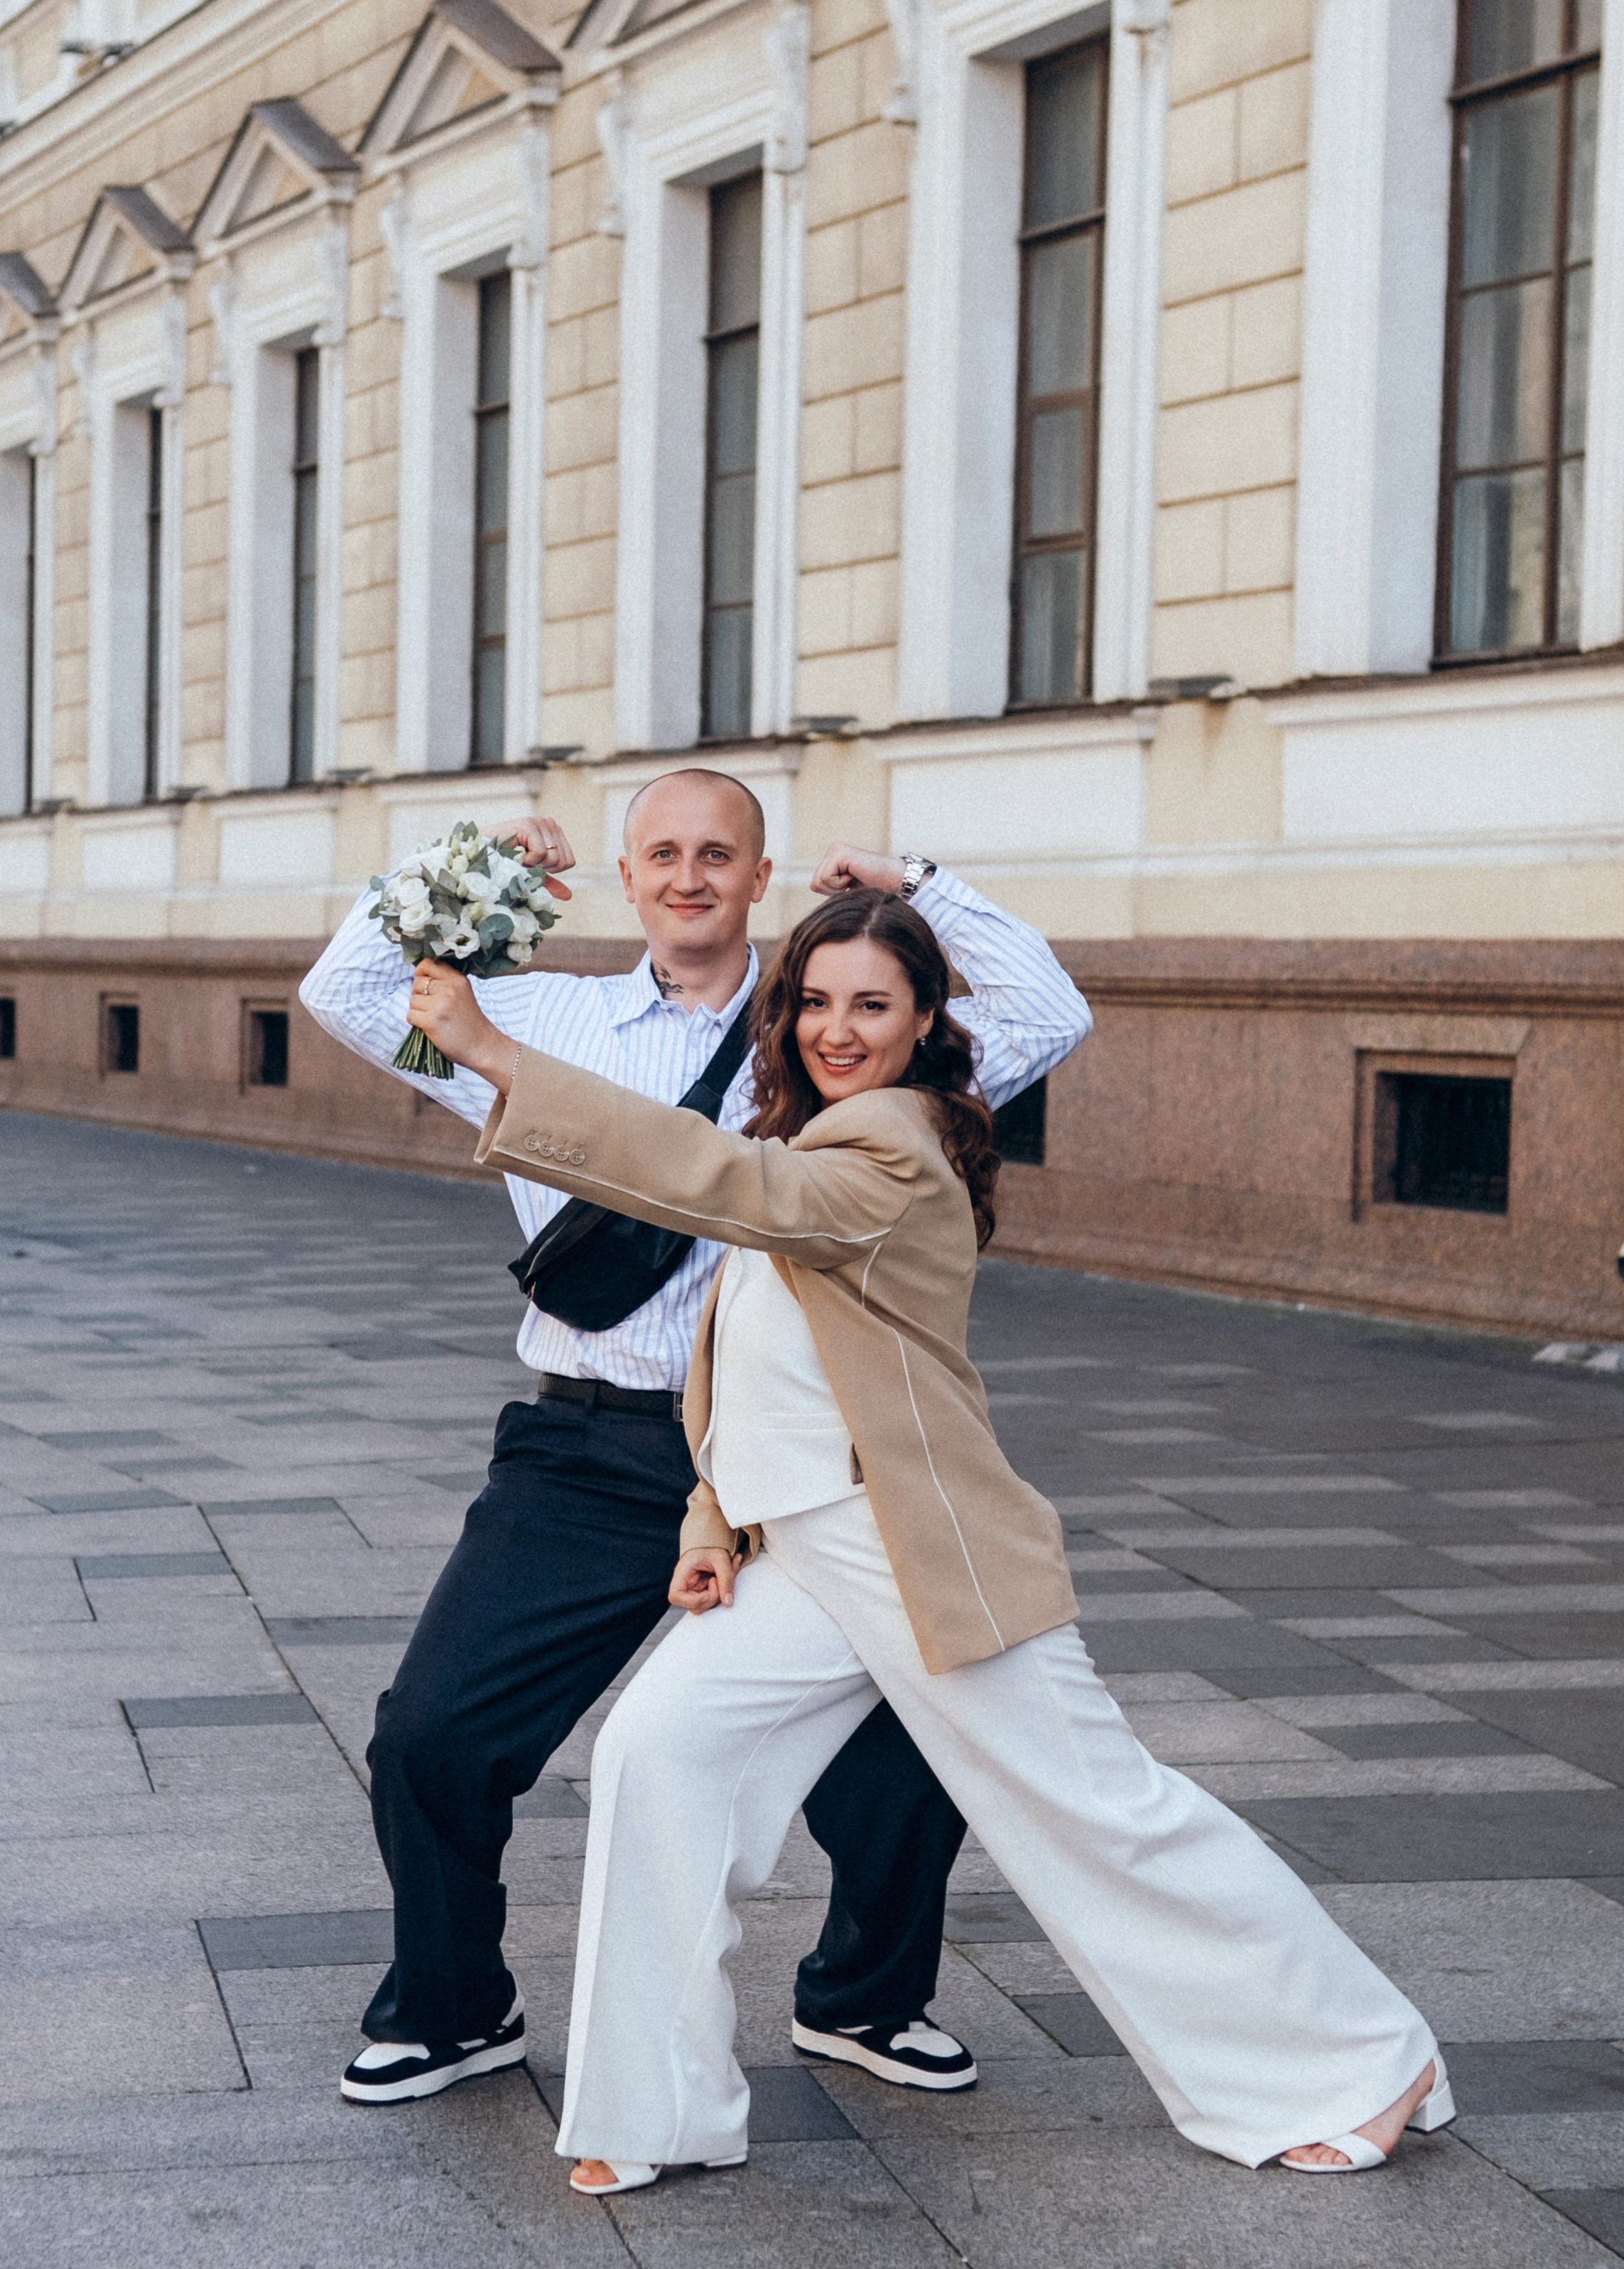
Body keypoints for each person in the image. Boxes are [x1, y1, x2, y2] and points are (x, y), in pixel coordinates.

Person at [402, 887, 1453, 2191]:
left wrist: (504, 1057)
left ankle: (1362, 2058)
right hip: (805, 1553)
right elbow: (749, 1362)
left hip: (917, 1551)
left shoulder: (894, 1146)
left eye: (873, 1004)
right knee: (658, 1752)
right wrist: (714, 1517)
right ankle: (652, 2105)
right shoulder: (815, 1134)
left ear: (922, 1023)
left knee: (1101, 1814)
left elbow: (725, 1187)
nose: (839, 1027)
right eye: (817, 1000)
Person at [299, 769, 1092, 2104]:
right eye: (661, 853)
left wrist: (917, 889)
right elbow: (350, 994)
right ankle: (451, 2003)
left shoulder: (838, 1041)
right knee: (432, 1734)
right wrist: (475, 853)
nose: (688, 876)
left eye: (718, 853)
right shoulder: (540, 1013)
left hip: (793, 1461)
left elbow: (1047, 1014)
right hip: (592, 1450)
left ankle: (864, 1997)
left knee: (916, 1739)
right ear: (623, 876)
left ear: (759, 874)